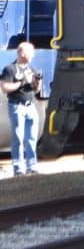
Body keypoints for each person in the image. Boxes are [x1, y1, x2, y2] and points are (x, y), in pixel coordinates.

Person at [0, 41, 42, 176]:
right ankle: (18, 169)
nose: (33, 54)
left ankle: (32, 167)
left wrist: (37, 83)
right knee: (18, 138)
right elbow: (5, 88)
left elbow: (36, 91)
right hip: (16, 107)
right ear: (22, 53)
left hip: (31, 107)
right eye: (31, 52)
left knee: (31, 138)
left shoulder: (32, 69)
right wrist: (22, 82)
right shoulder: (10, 69)